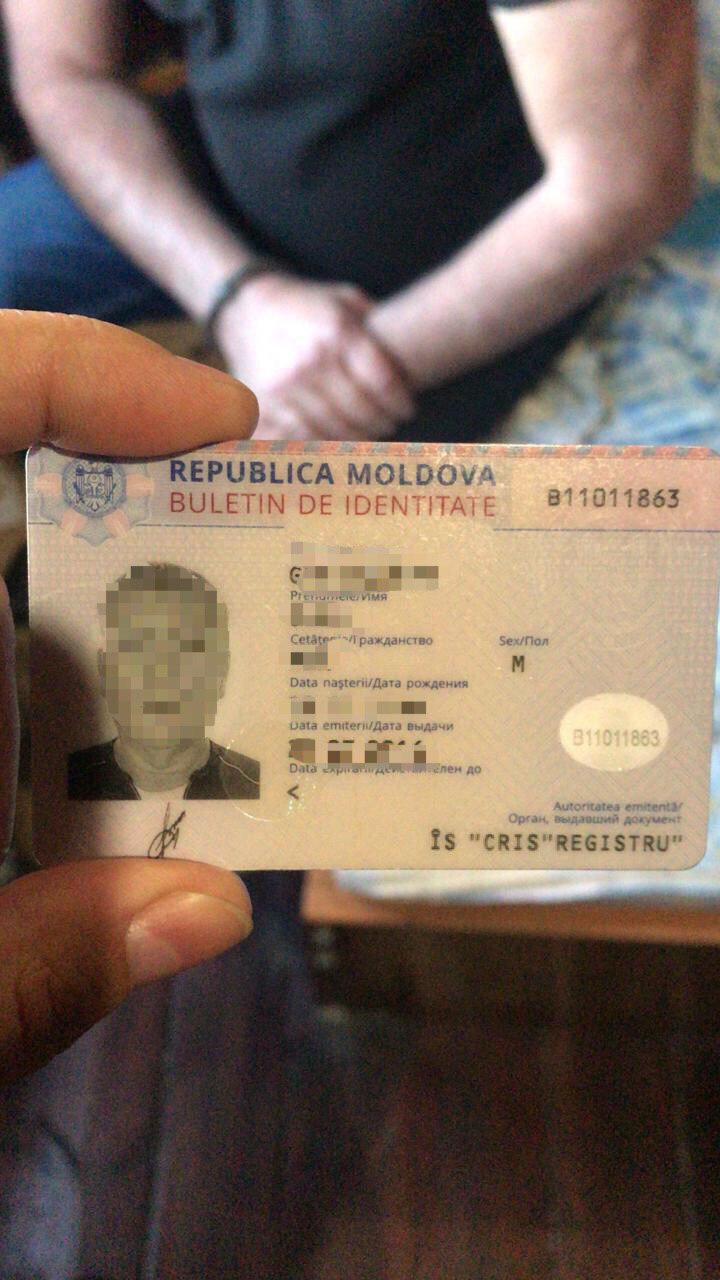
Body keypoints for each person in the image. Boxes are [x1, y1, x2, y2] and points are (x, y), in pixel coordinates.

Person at [0, 0, 695, 442]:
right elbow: (64, 75)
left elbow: (623, 189)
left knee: (320, 592)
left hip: (478, 253)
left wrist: (335, 374)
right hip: (223, 172)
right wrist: (235, 295)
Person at [0, 310, 259, 1088]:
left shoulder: (245, 775)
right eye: (142, 651)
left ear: (219, 669)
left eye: (187, 652)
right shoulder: (80, 786)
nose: (164, 677)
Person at [68, 562, 261, 800]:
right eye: (138, 650)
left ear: (221, 673)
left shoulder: (257, 784)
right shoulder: (59, 782)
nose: (160, 674)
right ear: (105, 671)